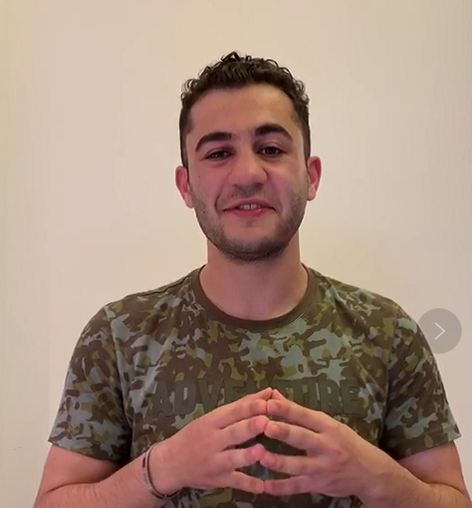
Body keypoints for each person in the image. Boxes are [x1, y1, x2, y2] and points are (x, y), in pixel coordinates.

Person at [34, 51, 470, 508]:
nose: (247, 173)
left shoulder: (387, 332)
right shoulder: (119, 336)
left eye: (271, 149)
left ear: (311, 176)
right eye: (218, 153)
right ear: (186, 186)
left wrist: (374, 477)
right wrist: (163, 468)